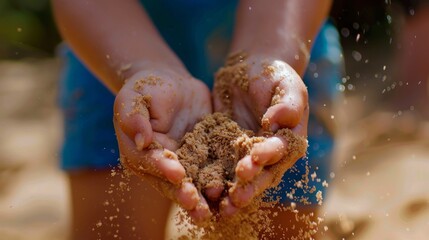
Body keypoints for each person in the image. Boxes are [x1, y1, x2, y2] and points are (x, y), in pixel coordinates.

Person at [52, 0, 343, 239]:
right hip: (112, 45)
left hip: (281, 34)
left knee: (277, 228)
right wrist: (142, 68)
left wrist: (270, 54)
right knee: (115, 231)